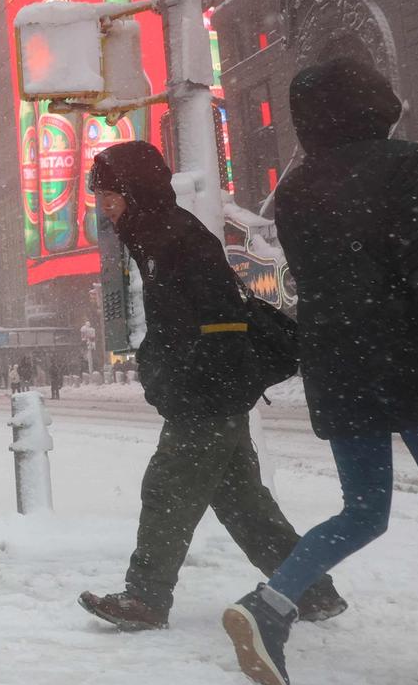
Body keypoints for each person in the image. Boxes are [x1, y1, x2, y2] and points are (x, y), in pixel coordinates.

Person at [221, 60, 418, 685]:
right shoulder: (402, 163)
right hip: (410, 359)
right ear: (372, 102)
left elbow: (319, 278)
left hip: (340, 365)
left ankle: (270, 605)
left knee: (363, 510)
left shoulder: (297, 187)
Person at [76, 142, 346, 635]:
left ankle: (145, 597)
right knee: (244, 503)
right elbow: (179, 324)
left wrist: (188, 382)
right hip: (212, 391)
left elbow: (219, 321)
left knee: (168, 489)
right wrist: (163, 365)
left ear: (134, 191)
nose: (105, 206)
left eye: (110, 195)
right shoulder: (154, 235)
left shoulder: (176, 237)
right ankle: (311, 591)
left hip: (206, 396)